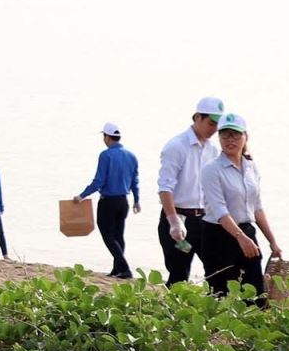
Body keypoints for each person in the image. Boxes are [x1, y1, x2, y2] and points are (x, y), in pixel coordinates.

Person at [201, 113, 280, 305]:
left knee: (255, 293)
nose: (230, 140)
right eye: (225, 135)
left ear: (245, 137)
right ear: (219, 137)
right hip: (217, 235)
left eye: (235, 135)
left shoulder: (251, 167)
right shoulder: (211, 170)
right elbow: (220, 211)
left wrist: (272, 242)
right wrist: (240, 237)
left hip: (246, 232)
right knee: (221, 294)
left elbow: (257, 208)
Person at [157, 96, 225, 287]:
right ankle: (173, 314)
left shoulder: (212, 149)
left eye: (217, 125)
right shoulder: (176, 146)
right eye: (211, 123)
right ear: (197, 118)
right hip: (178, 218)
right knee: (179, 274)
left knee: (217, 271)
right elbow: (165, 187)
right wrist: (173, 221)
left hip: (204, 220)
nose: (214, 129)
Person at [76, 122, 141, 278]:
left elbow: (99, 181)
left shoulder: (105, 155)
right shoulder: (131, 156)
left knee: (108, 235)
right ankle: (117, 269)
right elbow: (135, 181)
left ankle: (124, 268)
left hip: (108, 201)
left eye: (104, 136)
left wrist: (82, 195)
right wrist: (137, 200)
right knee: (119, 236)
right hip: (123, 201)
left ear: (107, 137)